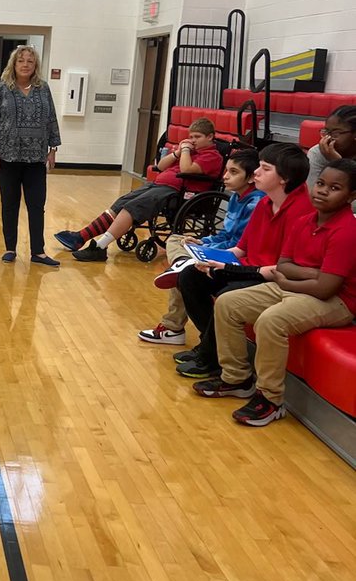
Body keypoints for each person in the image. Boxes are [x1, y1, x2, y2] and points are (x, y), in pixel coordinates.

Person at [194, 159, 356, 425]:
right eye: (321, 183)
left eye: (334, 188)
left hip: (337, 303)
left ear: (351, 196)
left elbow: (326, 288)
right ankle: (237, 379)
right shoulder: (304, 221)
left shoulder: (348, 231)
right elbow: (283, 265)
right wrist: (311, 273)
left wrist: (290, 280)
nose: (323, 190)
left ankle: (271, 399)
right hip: (298, 288)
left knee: (271, 321)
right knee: (228, 302)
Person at [174, 142, 313, 379]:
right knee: (190, 276)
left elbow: (285, 267)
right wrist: (208, 257)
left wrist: (226, 268)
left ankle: (210, 355)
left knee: (228, 291)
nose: (256, 172)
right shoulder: (265, 202)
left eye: (265, 168)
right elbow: (240, 249)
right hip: (249, 267)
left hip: (271, 276)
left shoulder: (303, 211)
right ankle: (211, 348)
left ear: (284, 178)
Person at [137, 148, 263, 345]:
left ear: (251, 178)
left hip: (235, 258)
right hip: (225, 247)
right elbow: (225, 234)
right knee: (176, 239)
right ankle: (182, 262)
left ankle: (172, 327)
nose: (225, 176)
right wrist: (203, 242)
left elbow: (239, 244)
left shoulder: (255, 204)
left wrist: (207, 246)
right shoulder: (234, 197)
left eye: (234, 172)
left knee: (186, 270)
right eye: (227, 170)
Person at [56, 118, 224, 262]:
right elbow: (160, 166)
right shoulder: (189, 152)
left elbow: (186, 170)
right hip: (159, 185)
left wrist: (186, 151)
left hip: (177, 192)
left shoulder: (212, 156)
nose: (192, 140)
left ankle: (100, 247)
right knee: (120, 204)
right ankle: (81, 237)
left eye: (197, 137)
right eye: (191, 137)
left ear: (210, 137)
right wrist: (178, 152)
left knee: (132, 208)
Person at [0, 45, 61, 266]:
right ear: (14, 64)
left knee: (37, 204)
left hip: (36, 158)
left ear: (35, 65)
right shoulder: (3, 89)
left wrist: (52, 150)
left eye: (30, 61)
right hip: (7, 156)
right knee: (10, 203)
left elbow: (51, 119)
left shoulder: (43, 89)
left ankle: (38, 251)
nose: (25, 64)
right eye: (21, 61)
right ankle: (10, 248)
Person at [307, 104, 356, 186]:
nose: (328, 138)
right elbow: (314, 194)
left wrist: (338, 164)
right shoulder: (318, 153)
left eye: (335, 134)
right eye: (326, 132)